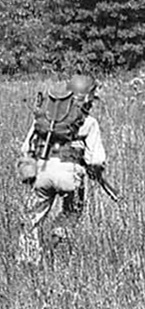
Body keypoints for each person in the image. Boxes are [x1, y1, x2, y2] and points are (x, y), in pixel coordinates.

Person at [16, 74, 107, 267]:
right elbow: (96, 160)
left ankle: (28, 260)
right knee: (72, 212)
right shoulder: (88, 122)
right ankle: (52, 244)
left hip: (41, 172)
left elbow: (26, 148)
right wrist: (94, 171)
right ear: (87, 98)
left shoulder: (43, 119)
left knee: (31, 217)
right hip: (70, 175)